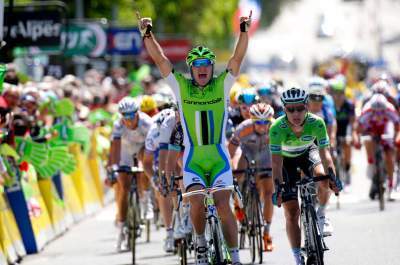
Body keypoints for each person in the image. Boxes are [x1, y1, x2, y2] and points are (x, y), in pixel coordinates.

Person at [139, 10, 251, 265]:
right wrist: (148, 34)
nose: (202, 69)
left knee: (224, 205)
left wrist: (243, 31)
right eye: (197, 65)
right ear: (191, 69)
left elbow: (237, 57)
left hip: (218, 156)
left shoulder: (222, 85)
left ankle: (234, 257)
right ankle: (200, 241)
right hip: (193, 159)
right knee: (197, 201)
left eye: (206, 65)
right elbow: (161, 60)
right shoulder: (182, 87)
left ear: (212, 67)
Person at [269, 87, 342, 265]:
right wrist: (278, 187)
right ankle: (297, 257)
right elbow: (277, 163)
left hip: (308, 152)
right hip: (286, 161)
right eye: (290, 109)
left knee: (323, 178)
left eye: (300, 108)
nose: (296, 113)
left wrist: (333, 177)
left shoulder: (317, 122)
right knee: (292, 212)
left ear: (307, 107)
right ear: (284, 109)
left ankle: (322, 215)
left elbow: (325, 154)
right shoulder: (277, 127)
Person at [107, 96, 153, 252]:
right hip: (125, 152)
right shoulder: (118, 125)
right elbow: (115, 147)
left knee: (143, 164)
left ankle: (146, 200)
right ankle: (120, 228)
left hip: (142, 148)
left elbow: (152, 147)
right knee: (123, 187)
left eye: (131, 115)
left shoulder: (147, 123)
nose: (128, 119)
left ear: (137, 113)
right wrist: (113, 167)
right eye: (124, 116)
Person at [228, 103, 275, 251]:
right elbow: (231, 150)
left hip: (266, 156)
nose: (262, 126)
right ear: (252, 120)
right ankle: (238, 202)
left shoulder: (276, 128)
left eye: (265, 122)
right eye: (258, 122)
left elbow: (284, 150)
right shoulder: (243, 128)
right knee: (238, 175)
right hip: (247, 154)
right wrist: (230, 169)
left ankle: (266, 232)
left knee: (268, 193)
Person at [352, 93, 400, 201]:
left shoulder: (390, 110)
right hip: (371, 128)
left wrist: (397, 139)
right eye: (376, 112)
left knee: (389, 156)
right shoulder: (367, 111)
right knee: (368, 140)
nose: (378, 114)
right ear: (372, 109)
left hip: (386, 128)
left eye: (381, 112)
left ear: (385, 109)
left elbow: (398, 127)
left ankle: (391, 187)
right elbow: (356, 130)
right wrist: (356, 140)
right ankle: (372, 163)